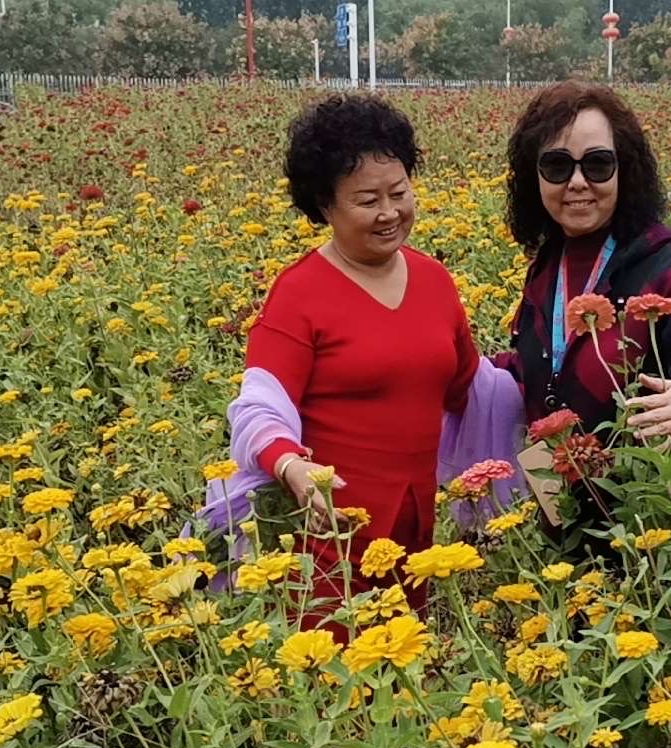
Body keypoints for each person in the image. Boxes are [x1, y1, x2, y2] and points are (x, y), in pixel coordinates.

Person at [202, 94, 487, 639]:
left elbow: (470, 388)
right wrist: (292, 468)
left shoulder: (435, 282)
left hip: (414, 528)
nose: (389, 213)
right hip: (326, 530)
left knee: (406, 677)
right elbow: (259, 407)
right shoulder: (299, 293)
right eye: (366, 200)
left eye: (399, 193)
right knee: (336, 680)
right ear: (324, 206)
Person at [494, 82, 671, 525]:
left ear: (625, 170)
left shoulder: (670, 266)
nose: (577, 182)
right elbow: (537, 365)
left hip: (655, 527)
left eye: (597, 164)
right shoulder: (546, 267)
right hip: (566, 524)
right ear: (533, 177)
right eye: (557, 166)